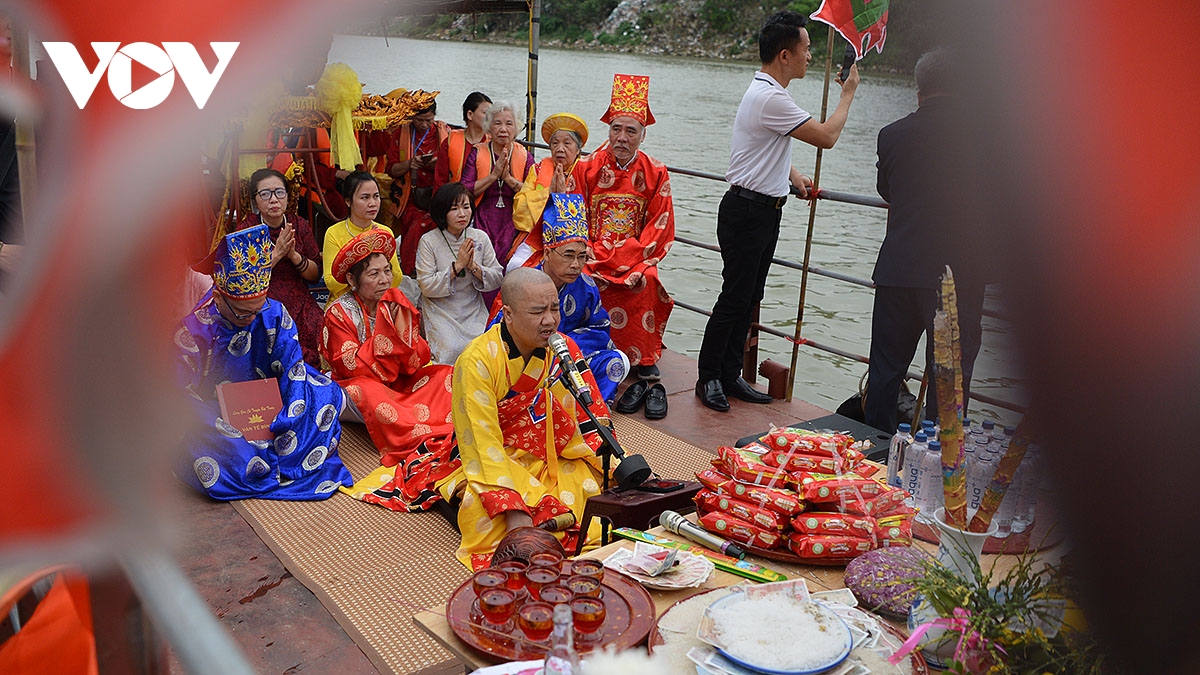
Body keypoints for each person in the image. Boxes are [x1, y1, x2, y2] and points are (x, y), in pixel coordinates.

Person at [695, 11, 860, 412]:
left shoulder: (767, 93)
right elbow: (826, 137)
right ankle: (708, 377)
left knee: (750, 295)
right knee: (735, 297)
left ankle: (730, 373)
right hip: (747, 211)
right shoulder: (771, 97)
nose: (810, 56)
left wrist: (791, 174)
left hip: (762, 209)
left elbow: (764, 145)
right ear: (785, 55)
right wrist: (848, 94)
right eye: (806, 49)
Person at [435, 267, 611, 570]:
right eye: (538, 311)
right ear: (508, 314)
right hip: (491, 457)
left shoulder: (563, 348)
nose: (550, 320)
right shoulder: (477, 360)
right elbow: (481, 440)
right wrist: (513, 507)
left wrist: (618, 464)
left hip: (551, 452)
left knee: (589, 490)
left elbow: (588, 416)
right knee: (486, 516)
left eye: (554, 308)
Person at [863, 47, 994, 433]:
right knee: (948, 382)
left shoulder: (892, 135)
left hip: (899, 270)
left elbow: (887, 189)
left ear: (918, 92)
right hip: (957, 277)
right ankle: (938, 458)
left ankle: (874, 452)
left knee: (885, 372)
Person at [175, 225, 353, 500]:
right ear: (218, 297)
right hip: (215, 412)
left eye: (258, 309)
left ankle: (273, 461)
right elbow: (178, 393)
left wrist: (290, 413)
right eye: (243, 313)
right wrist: (220, 424)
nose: (253, 317)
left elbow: (292, 367)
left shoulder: (273, 312)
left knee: (324, 392)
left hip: (274, 402)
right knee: (188, 429)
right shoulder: (192, 330)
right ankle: (263, 462)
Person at [320, 229, 458, 511]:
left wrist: (402, 333)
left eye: (386, 271)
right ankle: (417, 431)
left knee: (445, 374)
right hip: (355, 385)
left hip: (398, 380)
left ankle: (436, 425)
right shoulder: (338, 312)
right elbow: (348, 364)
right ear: (352, 280)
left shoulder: (395, 301)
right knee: (369, 391)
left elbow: (419, 356)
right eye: (374, 274)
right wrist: (388, 335)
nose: (384, 279)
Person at [576, 74, 675, 381]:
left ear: (642, 135)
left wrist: (630, 257)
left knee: (646, 280)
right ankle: (586, 351)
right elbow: (574, 217)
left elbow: (660, 225)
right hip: (592, 253)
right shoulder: (586, 167)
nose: (621, 137)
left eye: (630, 131)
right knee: (579, 276)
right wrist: (590, 250)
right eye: (615, 128)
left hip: (636, 256)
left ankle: (643, 356)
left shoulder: (656, 172)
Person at [490, 193, 629, 405]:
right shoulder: (523, 284)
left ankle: (585, 410)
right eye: (568, 255)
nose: (576, 264)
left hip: (568, 357)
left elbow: (600, 329)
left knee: (617, 361)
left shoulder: (587, 286)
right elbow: (497, 333)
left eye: (582, 257)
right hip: (526, 364)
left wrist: (564, 345)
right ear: (547, 253)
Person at [236, 168, 324, 368]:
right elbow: (244, 280)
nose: (274, 199)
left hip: (299, 300)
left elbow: (315, 274)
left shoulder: (299, 225)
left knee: (319, 333)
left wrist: (294, 256)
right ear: (255, 200)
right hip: (263, 303)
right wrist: (276, 255)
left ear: (287, 196)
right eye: (265, 194)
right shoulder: (247, 229)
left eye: (279, 192)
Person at [415, 182, 504, 364]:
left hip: (473, 308)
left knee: (485, 348)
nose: (462, 214)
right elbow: (426, 285)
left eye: (466, 207)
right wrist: (457, 267)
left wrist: (473, 267)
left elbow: (497, 277)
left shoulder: (479, 237)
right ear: (442, 211)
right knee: (451, 349)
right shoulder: (429, 241)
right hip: (440, 310)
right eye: (454, 209)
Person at [509, 112, 588, 270]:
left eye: (567, 143)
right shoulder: (537, 170)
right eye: (555, 143)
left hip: (576, 241)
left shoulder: (585, 173)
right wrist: (550, 195)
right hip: (538, 237)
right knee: (516, 265)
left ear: (578, 150)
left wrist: (561, 200)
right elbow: (520, 210)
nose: (560, 149)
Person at [461, 101, 533, 269]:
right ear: (489, 126)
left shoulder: (524, 155)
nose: (503, 129)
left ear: (516, 128)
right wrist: (493, 176)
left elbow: (534, 193)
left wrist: (508, 179)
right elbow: (465, 189)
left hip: (514, 219)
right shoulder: (477, 152)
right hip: (482, 215)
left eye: (509, 124)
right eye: (497, 123)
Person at [386, 93, 448, 275]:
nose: (424, 125)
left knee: (437, 223)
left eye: (429, 120)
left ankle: (435, 270)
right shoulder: (401, 133)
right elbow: (391, 170)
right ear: (412, 117)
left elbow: (454, 165)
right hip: (410, 196)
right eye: (420, 120)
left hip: (437, 194)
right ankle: (409, 270)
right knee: (416, 224)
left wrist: (439, 164)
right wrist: (409, 164)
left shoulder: (444, 132)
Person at [321, 171, 403, 300]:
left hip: (378, 300)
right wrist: (364, 249)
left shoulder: (384, 232)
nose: (373, 203)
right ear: (348, 201)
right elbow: (332, 283)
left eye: (376, 196)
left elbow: (396, 277)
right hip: (345, 303)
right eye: (365, 197)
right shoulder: (334, 233)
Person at [435, 91, 491, 188]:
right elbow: (440, 179)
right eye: (486, 113)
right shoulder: (450, 141)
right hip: (455, 195)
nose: (490, 117)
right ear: (470, 114)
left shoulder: (493, 142)